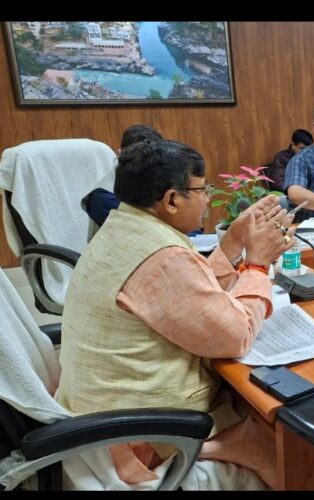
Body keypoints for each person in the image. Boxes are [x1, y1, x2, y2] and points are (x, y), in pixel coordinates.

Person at [56, 139, 296, 488]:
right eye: (202, 190)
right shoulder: (162, 256)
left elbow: (186, 297)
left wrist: (232, 241)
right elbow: (238, 336)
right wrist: (257, 265)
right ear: (171, 200)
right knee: (288, 442)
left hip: (100, 414)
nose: (208, 199)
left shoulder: (124, 228)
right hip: (143, 435)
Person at [83, 124, 163, 228]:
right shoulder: (103, 197)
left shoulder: (160, 178)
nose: (145, 167)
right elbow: (144, 230)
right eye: (139, 160)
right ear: (120, 155)